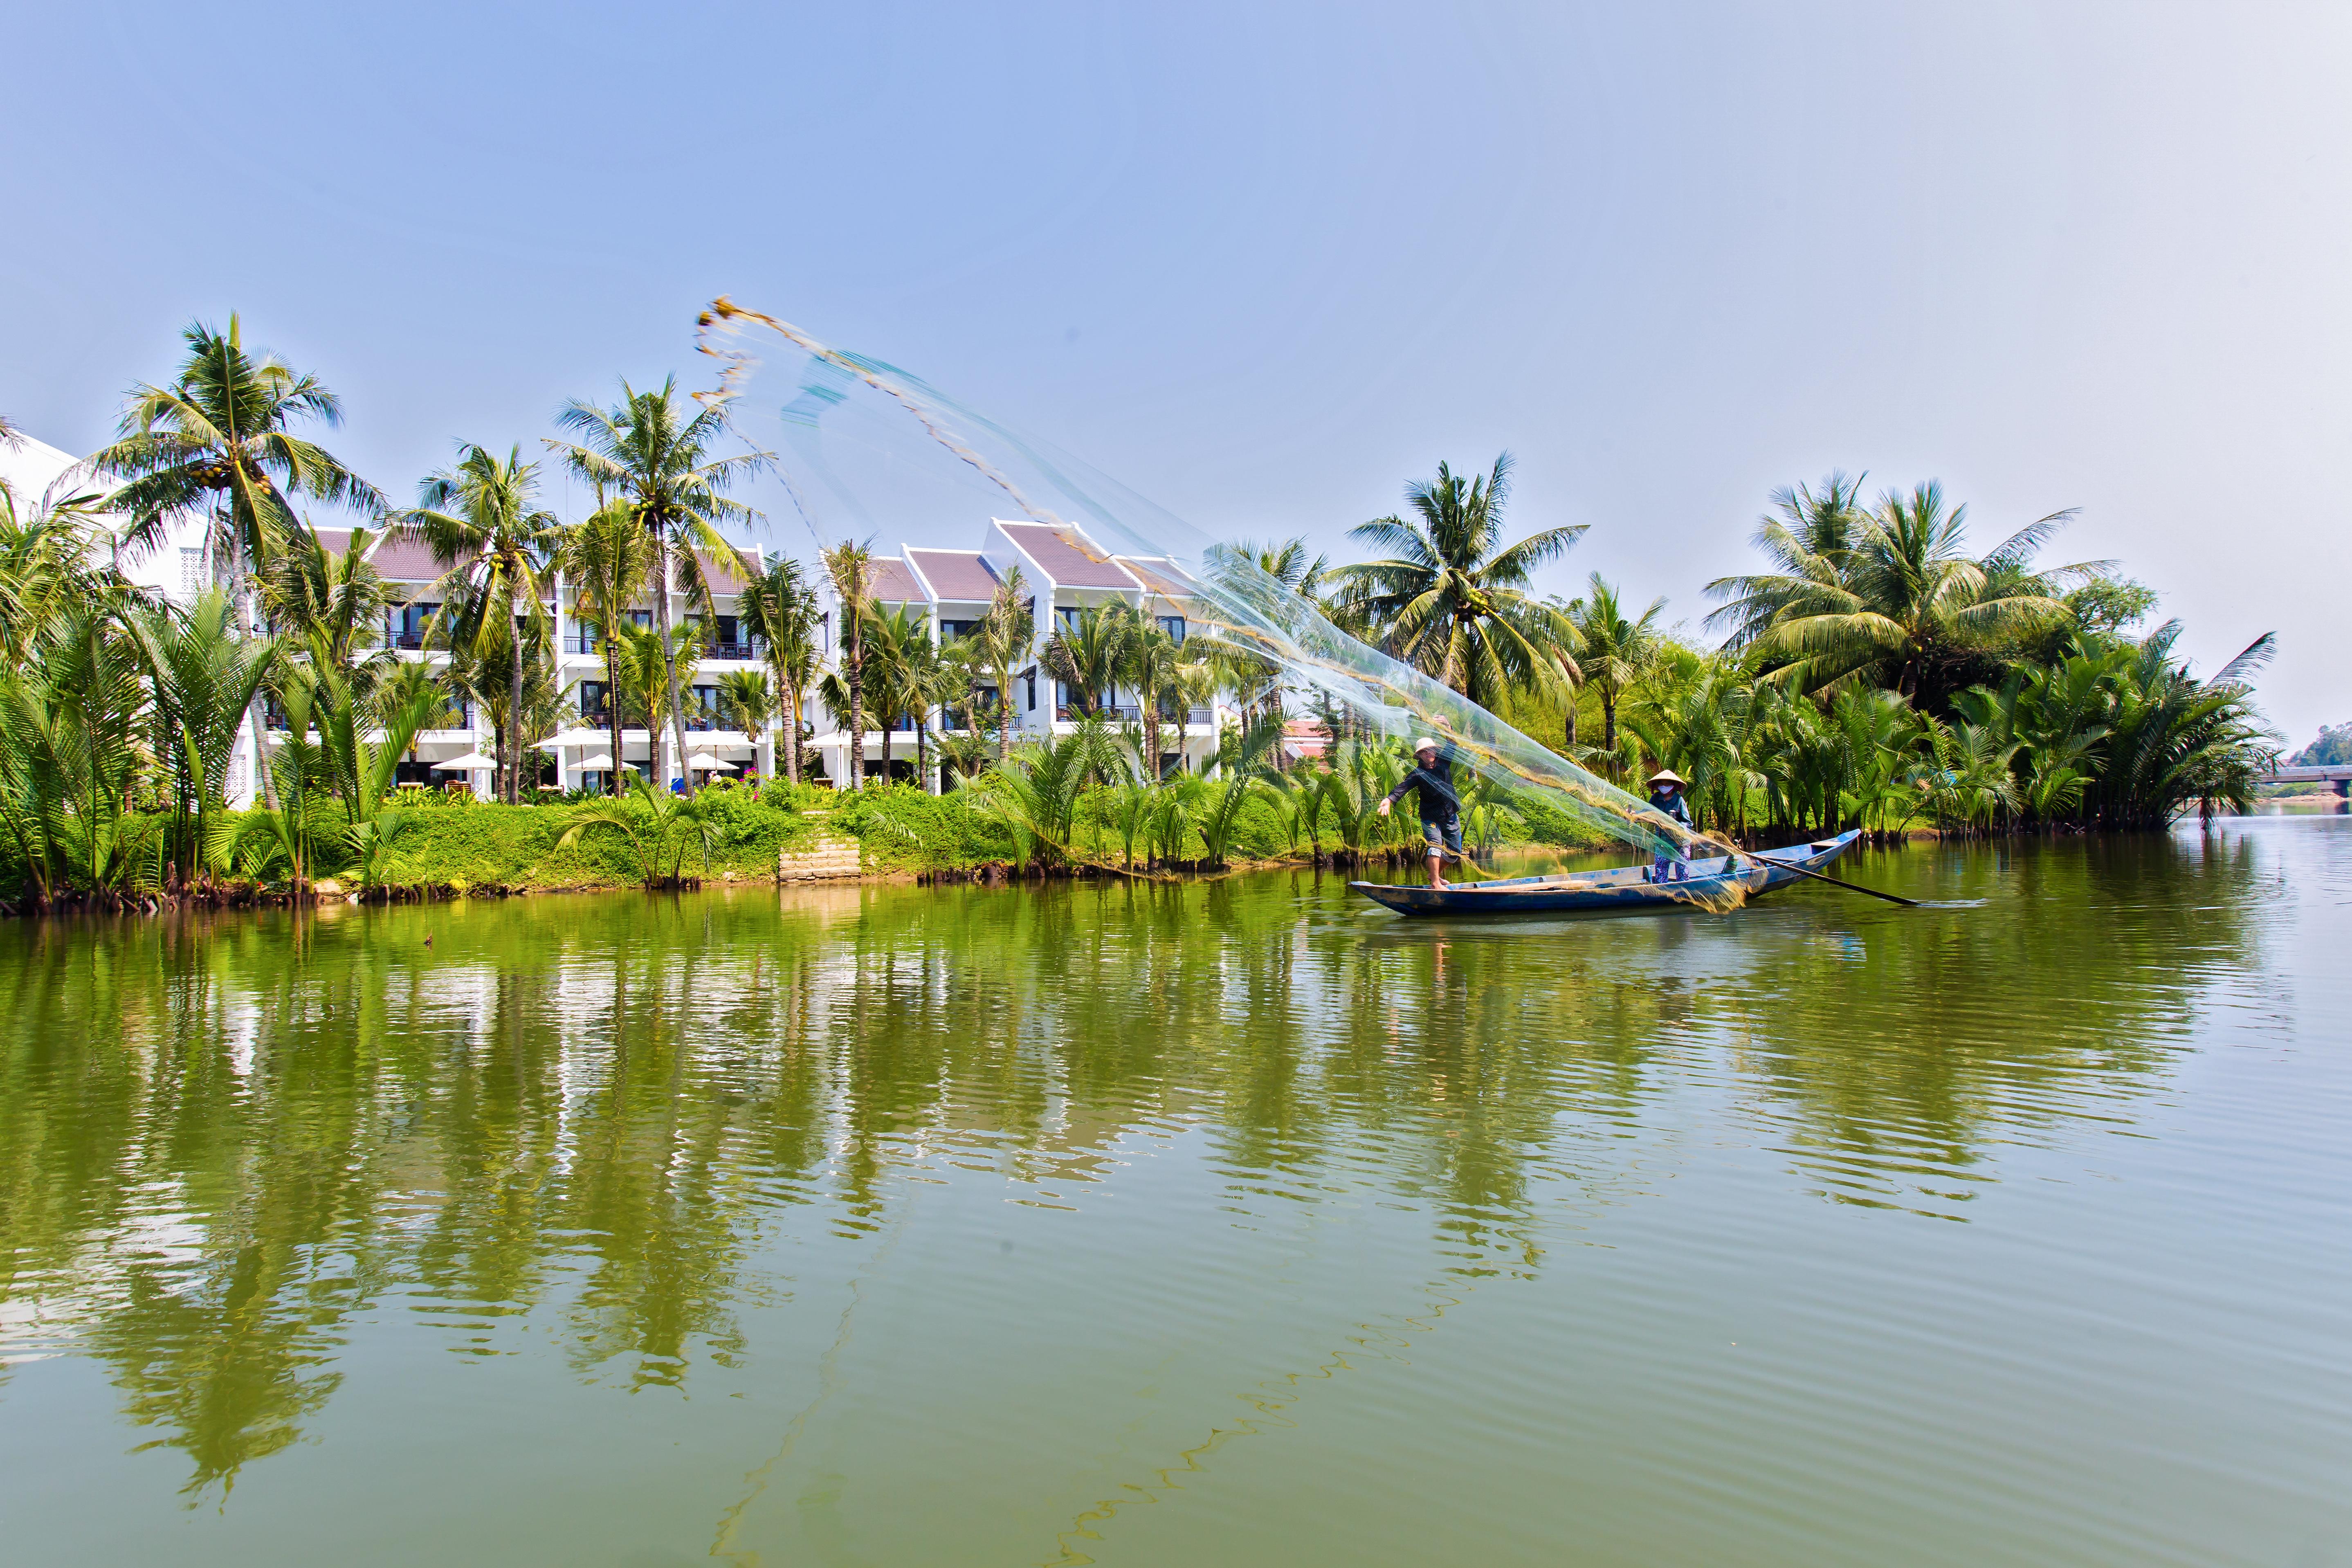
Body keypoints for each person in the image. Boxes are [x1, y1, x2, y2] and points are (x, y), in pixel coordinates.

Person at [1377, 738, 1465, 890]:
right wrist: (1389, 800)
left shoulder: (1444, 763)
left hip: (1450, 813)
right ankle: (1435, 883)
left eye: (1430, 750)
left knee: (1455, 853)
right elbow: (1402, 787)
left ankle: (1434, 875)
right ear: (1420, 756)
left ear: (1435, 751)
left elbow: (1452, 744)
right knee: (1435, 846)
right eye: (1424, 752)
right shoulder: (1418, 774)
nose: (1428, 753)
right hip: (1430, 817)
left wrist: (1446, 727)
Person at [1645, 768, 1693, 883]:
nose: (1664, 786)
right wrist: (1634, 814)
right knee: (1660, 875)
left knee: (1683, 875)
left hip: (1680, 843)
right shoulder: (1656, 799)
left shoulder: (1679, 800)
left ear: (1673, 786)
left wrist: (1676, 827)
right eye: (1661, 784)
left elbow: (1688, 823)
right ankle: (1662, 894)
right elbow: (1647, 812)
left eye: (1667, 784)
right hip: (1663, 843)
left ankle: (1683, 892)